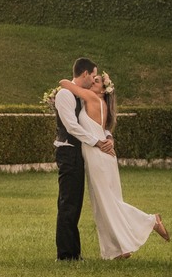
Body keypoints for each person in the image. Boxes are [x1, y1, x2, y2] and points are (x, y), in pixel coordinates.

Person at [59, 70, 170, 259]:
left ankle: (150, 221)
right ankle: (117, 249)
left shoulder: (93, 99)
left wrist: (78, 81)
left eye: (96, 81)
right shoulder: (100, 103)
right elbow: (105, 130)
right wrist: (109, 137)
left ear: (103, 90)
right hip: (102, 155)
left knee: (107, 202)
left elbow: (65, 83)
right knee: (104, 204)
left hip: (98, 156)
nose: (92, 83)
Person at [54, 57, 110, 260]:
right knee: (68, 202)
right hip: (68, 152)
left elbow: (96, 123)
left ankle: (73, 252)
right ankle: (66, 254)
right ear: (85, 74)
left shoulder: (83, 96)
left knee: (75, 203)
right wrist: (96, 142)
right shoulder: (65, 95)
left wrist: (107, 136)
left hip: (80, 153)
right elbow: (71, 126)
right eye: (93, 75)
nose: (95, 79)